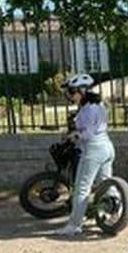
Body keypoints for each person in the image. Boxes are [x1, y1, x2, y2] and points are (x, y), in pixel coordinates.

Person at [52, 74, 116, 237]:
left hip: (93, 149)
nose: (70, 95)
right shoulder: (98, 104)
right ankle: (116, 213)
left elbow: (87, 133)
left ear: (81, 91)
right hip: (107, 146)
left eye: (72, 92)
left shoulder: (88, 109)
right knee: (105, 183)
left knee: (82, 187)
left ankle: (74, 225)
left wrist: (73, 136)